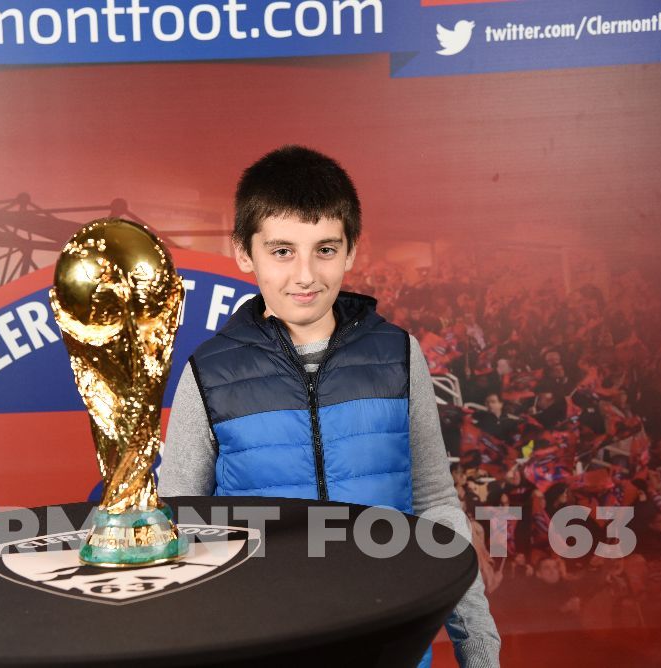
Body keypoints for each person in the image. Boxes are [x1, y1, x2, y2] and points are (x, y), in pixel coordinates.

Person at [158, 146, 500, 667]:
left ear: (351, 250)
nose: (304, 275)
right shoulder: (208, 373)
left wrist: (478, 651)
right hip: (260, 647)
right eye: (281, 251)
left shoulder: (398, 354)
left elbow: (435, 506)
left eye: (324, 249)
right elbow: (177, 525)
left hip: (393, 647)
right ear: (243, 252)